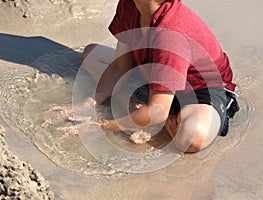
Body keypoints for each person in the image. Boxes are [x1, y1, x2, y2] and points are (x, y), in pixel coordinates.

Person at [78, 0, 239, 153]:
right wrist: (90, 102)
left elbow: (158, 112)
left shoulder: (171, 33)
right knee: (92, 54)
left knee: (191, 138)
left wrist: (104, 125)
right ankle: (137, 104)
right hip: (153, 69)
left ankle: (155, 110)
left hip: (200, 89)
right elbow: (121, 67)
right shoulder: (130, 5)